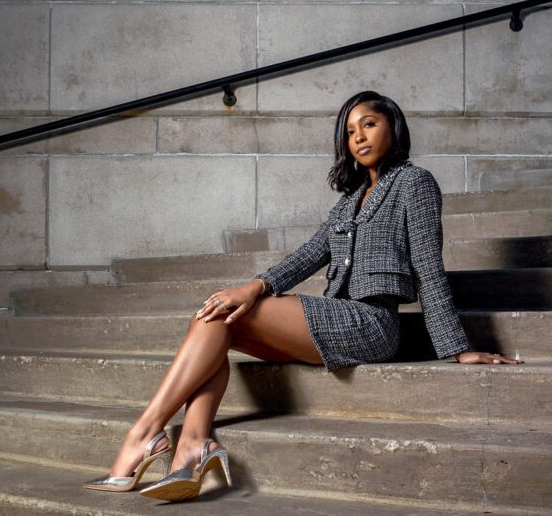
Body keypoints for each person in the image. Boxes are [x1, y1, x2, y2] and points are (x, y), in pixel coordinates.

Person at [84, 90, 522, 501]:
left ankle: (147, 433)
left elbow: (429, 266)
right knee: (220, 314)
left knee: (220, 317)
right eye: (350, 132)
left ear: (393, 127)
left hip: (372, 323)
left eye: (368, 124)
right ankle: (193, 443)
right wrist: (251, 287)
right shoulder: (350, 199)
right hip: (338, 315)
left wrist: (458, 348)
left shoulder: (414, 183)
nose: (358, 137)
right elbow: (310, 254)